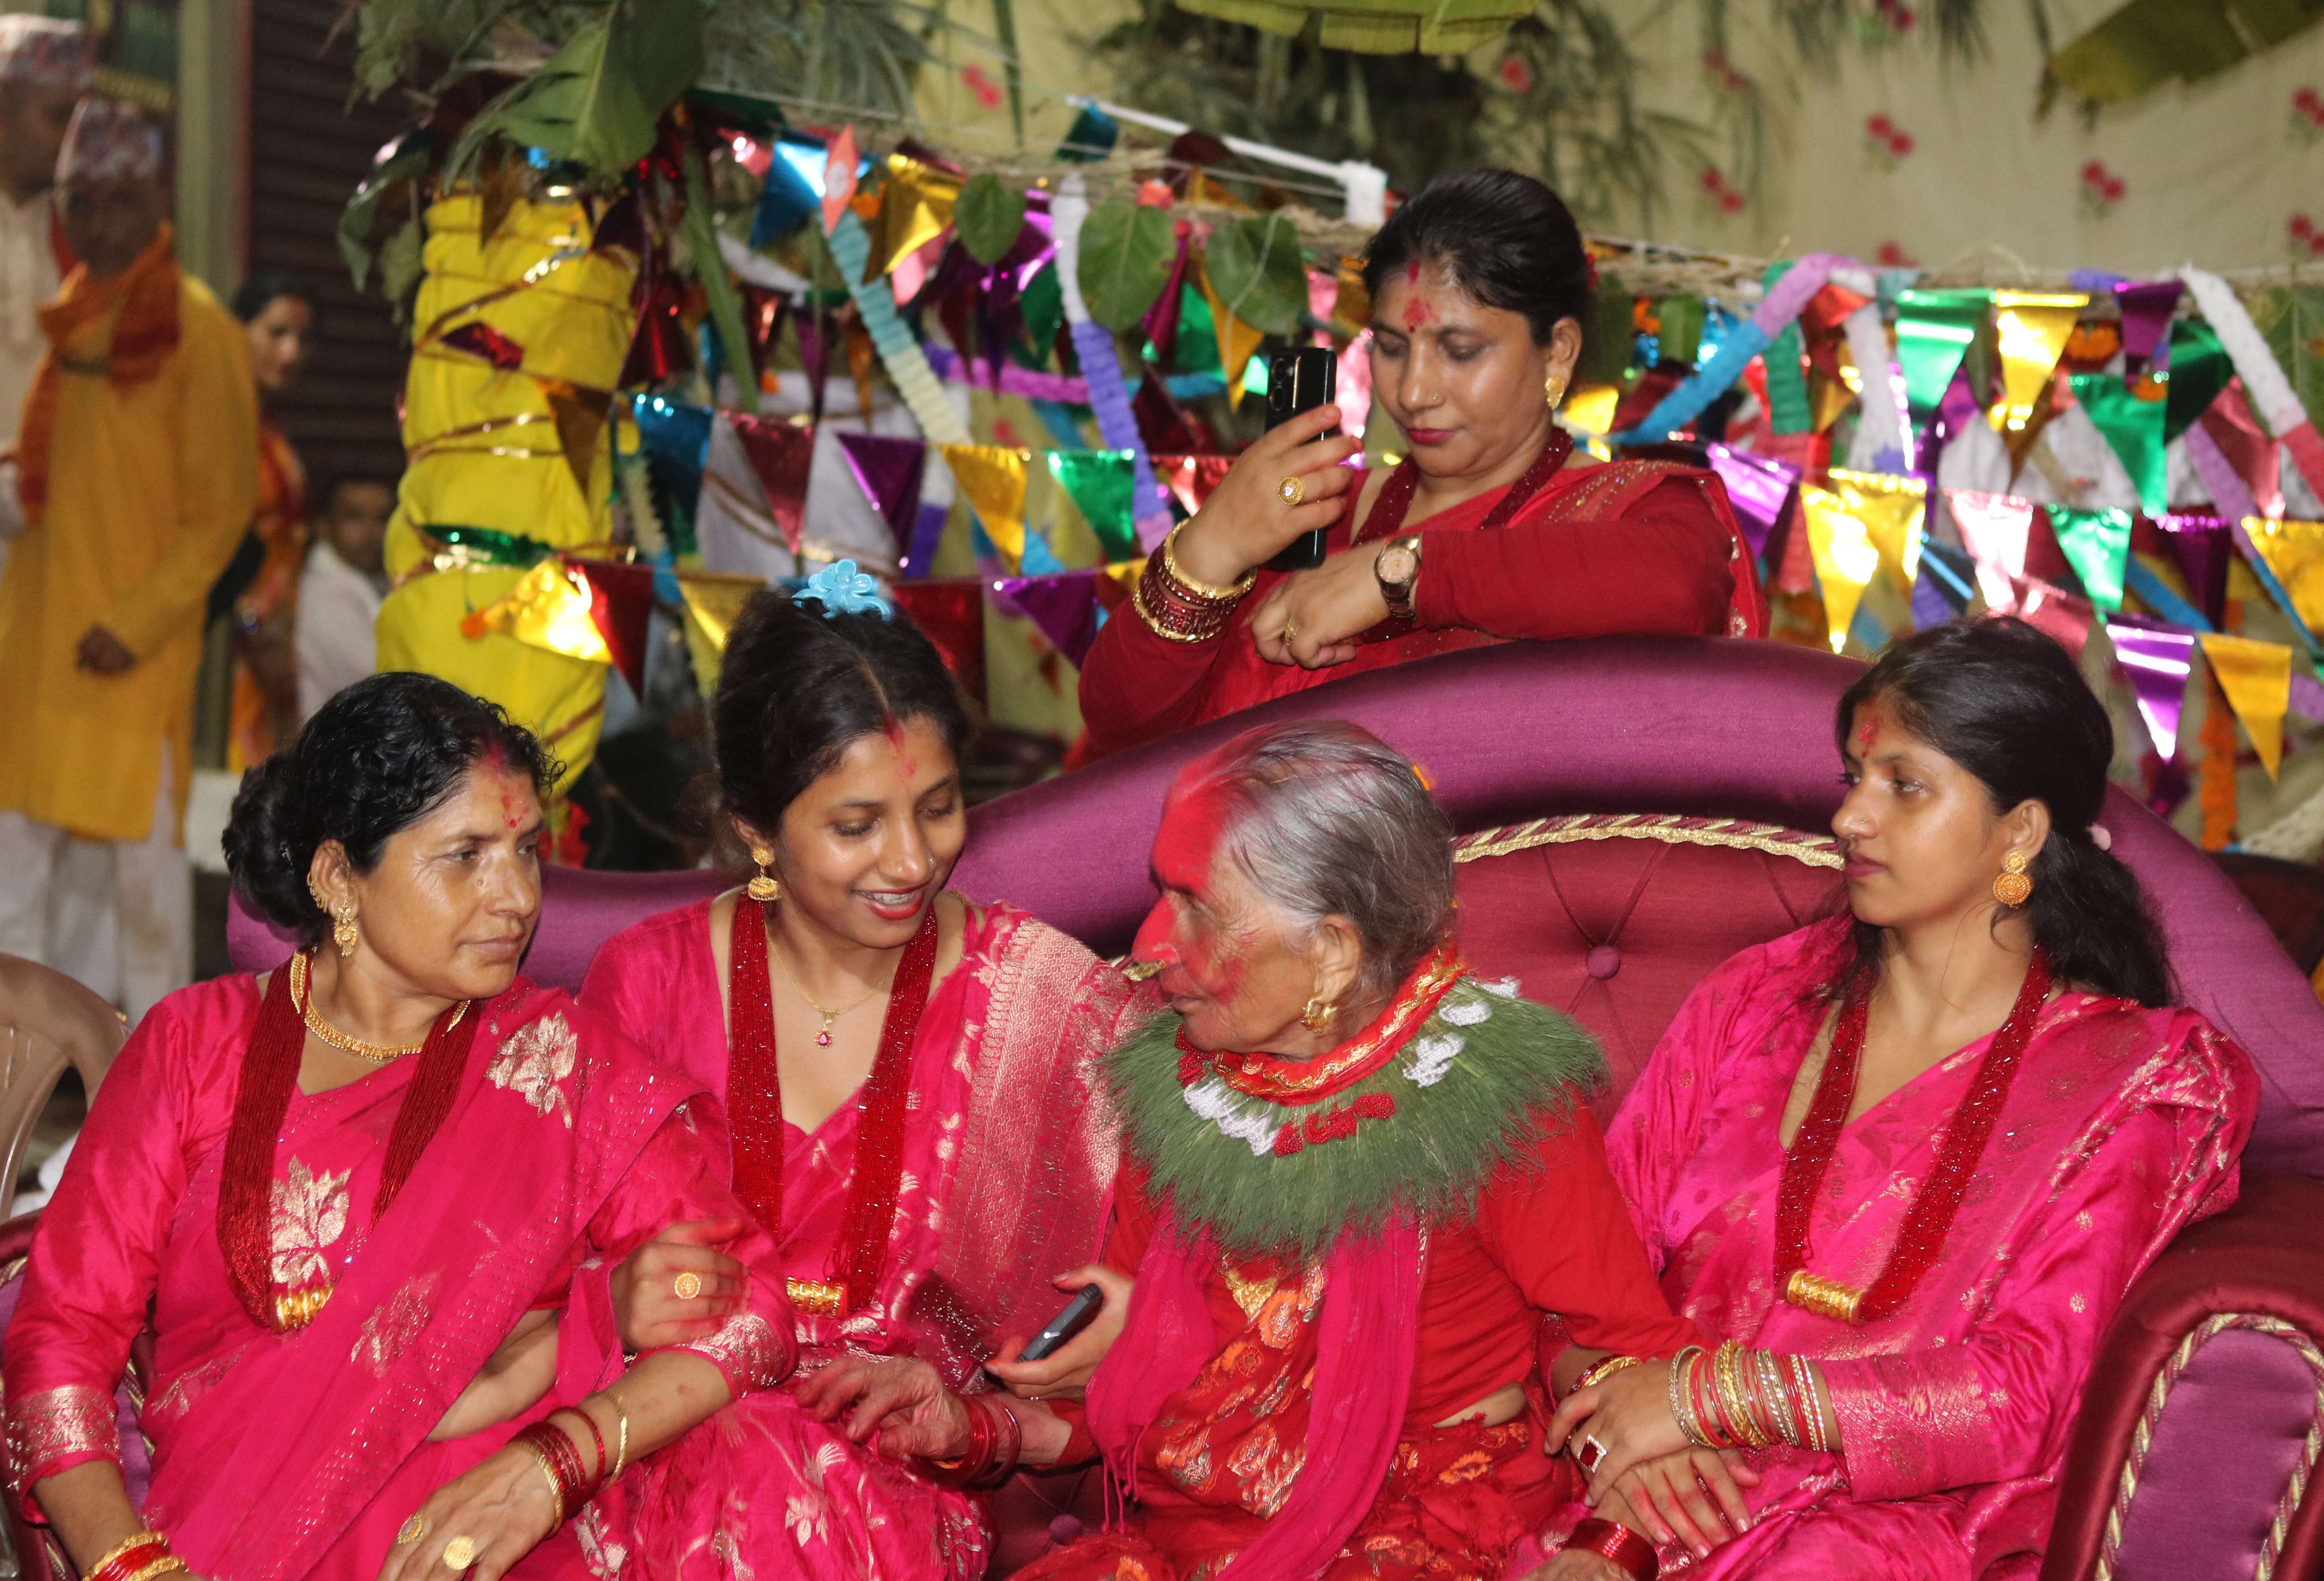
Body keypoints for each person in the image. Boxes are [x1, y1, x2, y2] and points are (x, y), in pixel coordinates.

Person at [819, 721, 1700, 1580]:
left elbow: (1638, 1368)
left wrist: (1607, 1552)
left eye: (1198, 909)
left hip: (1415, 1541)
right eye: (1162, 894)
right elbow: (1132, 1403)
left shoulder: (1495, 1102)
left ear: (1332, 954)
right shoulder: (1180, 1089)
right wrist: (967, 1426)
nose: (1149, 945)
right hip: (1184, 1550)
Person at [1, 672, 802, 1581]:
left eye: (526, 851)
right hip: (230, 1541)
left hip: (516, 1538)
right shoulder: (194, 1049)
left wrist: (554, 1460)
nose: (516, 897)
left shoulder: (556, 1061)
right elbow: (59, 1339)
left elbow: (754, 1310)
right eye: (465, 856)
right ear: (339, 877)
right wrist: (127, 1563)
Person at [1519, 617, 2258, 1581]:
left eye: (1904, 786)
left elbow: (2019, 1394)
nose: (1851, 819)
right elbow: (1579, 1271)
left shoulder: (2128, 1084)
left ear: (2020, 831)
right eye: (1853, 779)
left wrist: (1711, 1400)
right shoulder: (1758, 999)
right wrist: (1621, 1420)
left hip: (1890, 1529)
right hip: (1636, 1483)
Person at [571, 561, 1157, 1581]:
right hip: (652, 1455)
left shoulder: (1048, 1004)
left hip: (888, 1497)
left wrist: (1139, 1326)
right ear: (755, 828)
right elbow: (532, 1276)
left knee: (774, 1482)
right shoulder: (647, 986)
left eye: (938, 807)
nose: (910, 861)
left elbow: (1199, 1292)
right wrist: (612, 1301)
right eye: (856, 826)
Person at [1073, 169, 1766, 763]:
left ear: (1557, 350)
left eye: (1460, 351)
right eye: (1392, 346)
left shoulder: (1625, 509)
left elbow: (1679, 589)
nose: (1412, 392)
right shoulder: (1314, 511)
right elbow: (1119, 724)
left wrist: (1403, 575)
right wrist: (1210, 549)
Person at [0, 97, 259, 1016]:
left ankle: (149, 1087)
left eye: (119, 200)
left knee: (145, 892)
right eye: (80, 204)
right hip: (34, 647)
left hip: (127, 655)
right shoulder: (74, 320)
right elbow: (77, 484)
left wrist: (135, 625)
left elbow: (222, 513)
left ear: (160, 198)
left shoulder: (198, 329)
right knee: (5, 884)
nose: (98, 224)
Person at [0, 14, 87, 940]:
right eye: (54, 116)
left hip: (50, 549)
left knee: (32, 779)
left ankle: (11, 994)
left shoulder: (87, 237)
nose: (69, 138)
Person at [219, 270, 317, 767]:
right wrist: (252, 626)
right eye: (276, 332)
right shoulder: (219, 423)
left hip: (275, 646)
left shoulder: (266, 425)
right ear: (236, 330)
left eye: (302, 338)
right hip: (234, 647)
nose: (291, 352)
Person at [295, 471, 394, 722]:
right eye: (355, 517)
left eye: (382, 518)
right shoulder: (324, 594)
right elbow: (382, 684)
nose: (372, 532)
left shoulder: (378, 583)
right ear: (324, 526)